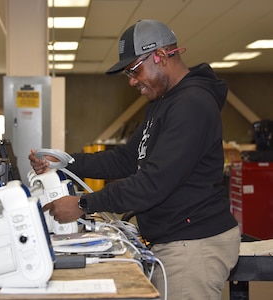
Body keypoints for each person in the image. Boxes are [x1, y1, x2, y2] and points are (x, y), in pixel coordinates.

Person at [29, 19, 240, 300]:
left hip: (192, 245)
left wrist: (83, 204)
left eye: (135, 70)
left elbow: (152, 183)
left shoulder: (191, 104)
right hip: (175, 240)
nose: (131, 81)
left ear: (161, 56)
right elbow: (127, 159)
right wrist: (66, 162)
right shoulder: (163, 102)